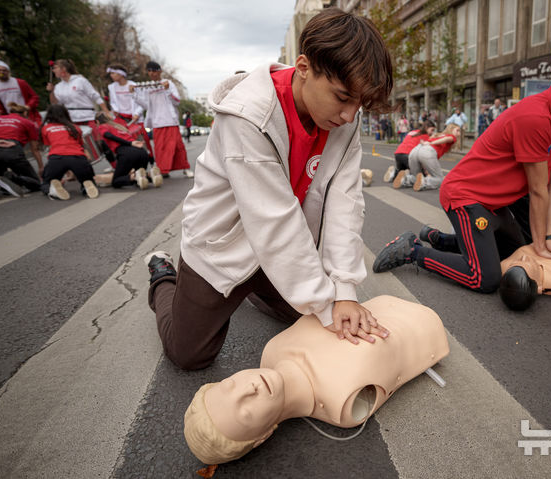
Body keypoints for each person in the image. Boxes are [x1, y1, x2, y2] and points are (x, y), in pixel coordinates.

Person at [144, 8, 394, 371]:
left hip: (285, 250)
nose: (349, 115)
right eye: (342, 97)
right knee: (189, 355)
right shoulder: (248, 115)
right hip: (225, 249)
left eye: (359, 103)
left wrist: (343, 290)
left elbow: (346, 204)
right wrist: (326, 304)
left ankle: (260, 290)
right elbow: (273, 221)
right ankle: (163, 273)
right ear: (304, 67)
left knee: (325, 322)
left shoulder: (345, 122)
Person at [372, 37, 551, 293]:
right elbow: (539, 190)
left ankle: (436, 238)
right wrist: (541, 246)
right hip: (466, 196)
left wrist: (549, 238)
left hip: (494, 202)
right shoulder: (536, 116)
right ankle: (412, 251)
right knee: (483, 278)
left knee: (510, 251)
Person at [183, 295, 449, 465]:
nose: (248, 389)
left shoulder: (272, 351)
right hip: (426, 324)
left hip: (388, 305)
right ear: (262, 437)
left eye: (230, 385)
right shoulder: (342, 404)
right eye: (245, 412)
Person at [131, 61, 193, 178]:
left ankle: (185, 168)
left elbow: (177, 101)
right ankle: (163, 170)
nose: (152, 73)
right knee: (160, 149)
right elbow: (146, 105)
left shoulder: (168, 83)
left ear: (159, 71)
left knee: (178, 147)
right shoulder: (147, 87)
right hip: (157, 123)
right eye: (149, 71)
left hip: (170, 121)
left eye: (154, 70)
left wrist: (167, 90)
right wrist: (134, 94)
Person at [0, 102, 43, 192]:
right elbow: (35, 148)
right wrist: (40, 166)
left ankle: (3, 183)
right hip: (12, 150)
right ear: (25, 113)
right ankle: (13, 178)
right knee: (35, 184)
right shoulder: (27, 123)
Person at [40, 104, 99, 200]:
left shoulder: (46, 128)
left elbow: (50, 145)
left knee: (46, 183)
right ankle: (86, 185)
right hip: (78, 158)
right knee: (88, 178)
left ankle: (52, 189)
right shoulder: (75, 128)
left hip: (57, 158)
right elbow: (80, 145)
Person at [95, 113, 162, 189]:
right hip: (142, 152)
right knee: (139, 176)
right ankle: (150, 175)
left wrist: (129, 143)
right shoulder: (119, 126)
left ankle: (135, 176)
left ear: (97, 121)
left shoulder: (102, 126)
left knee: (116, 182)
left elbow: (108, 135)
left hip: (126, 153)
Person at [393, 123, 459, 191]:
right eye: (457, 130)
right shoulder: (452, 137)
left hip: (415, 151)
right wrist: (432, 143)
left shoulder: (438, 135)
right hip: (428, 150)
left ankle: (406, 179)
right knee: (440, 179)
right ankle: (425, 182)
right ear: (451, 129)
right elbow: (447, 139)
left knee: (416, 176)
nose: (459, 133)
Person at [46, 59, 112, 127]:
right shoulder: (58, 86)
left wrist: (106, 112)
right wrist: (52, 91)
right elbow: (55, 103)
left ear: (64, 69)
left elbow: (95, 96)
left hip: (88, 117)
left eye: (55, 68)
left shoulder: (81, 81)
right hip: (70, 120)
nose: (53, 70)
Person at [107, 64, 154, 156]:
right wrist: (115, 110)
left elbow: (143, 102)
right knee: (124, 140)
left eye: (113, 73)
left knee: (144, 140)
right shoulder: (112, 87)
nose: (111, 75)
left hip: (135, 118)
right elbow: (112, 102)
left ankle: (151, 160)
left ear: (121, 74)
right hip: (121, 118)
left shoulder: (133, 85)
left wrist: (137, 113)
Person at [0, 60, 42, 126]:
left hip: (27, 115)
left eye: (4, 70)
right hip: (9, 118)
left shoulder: (20, 82)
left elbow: (34, 97)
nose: (1, 72)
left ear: (8, 71)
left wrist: (28, 106)